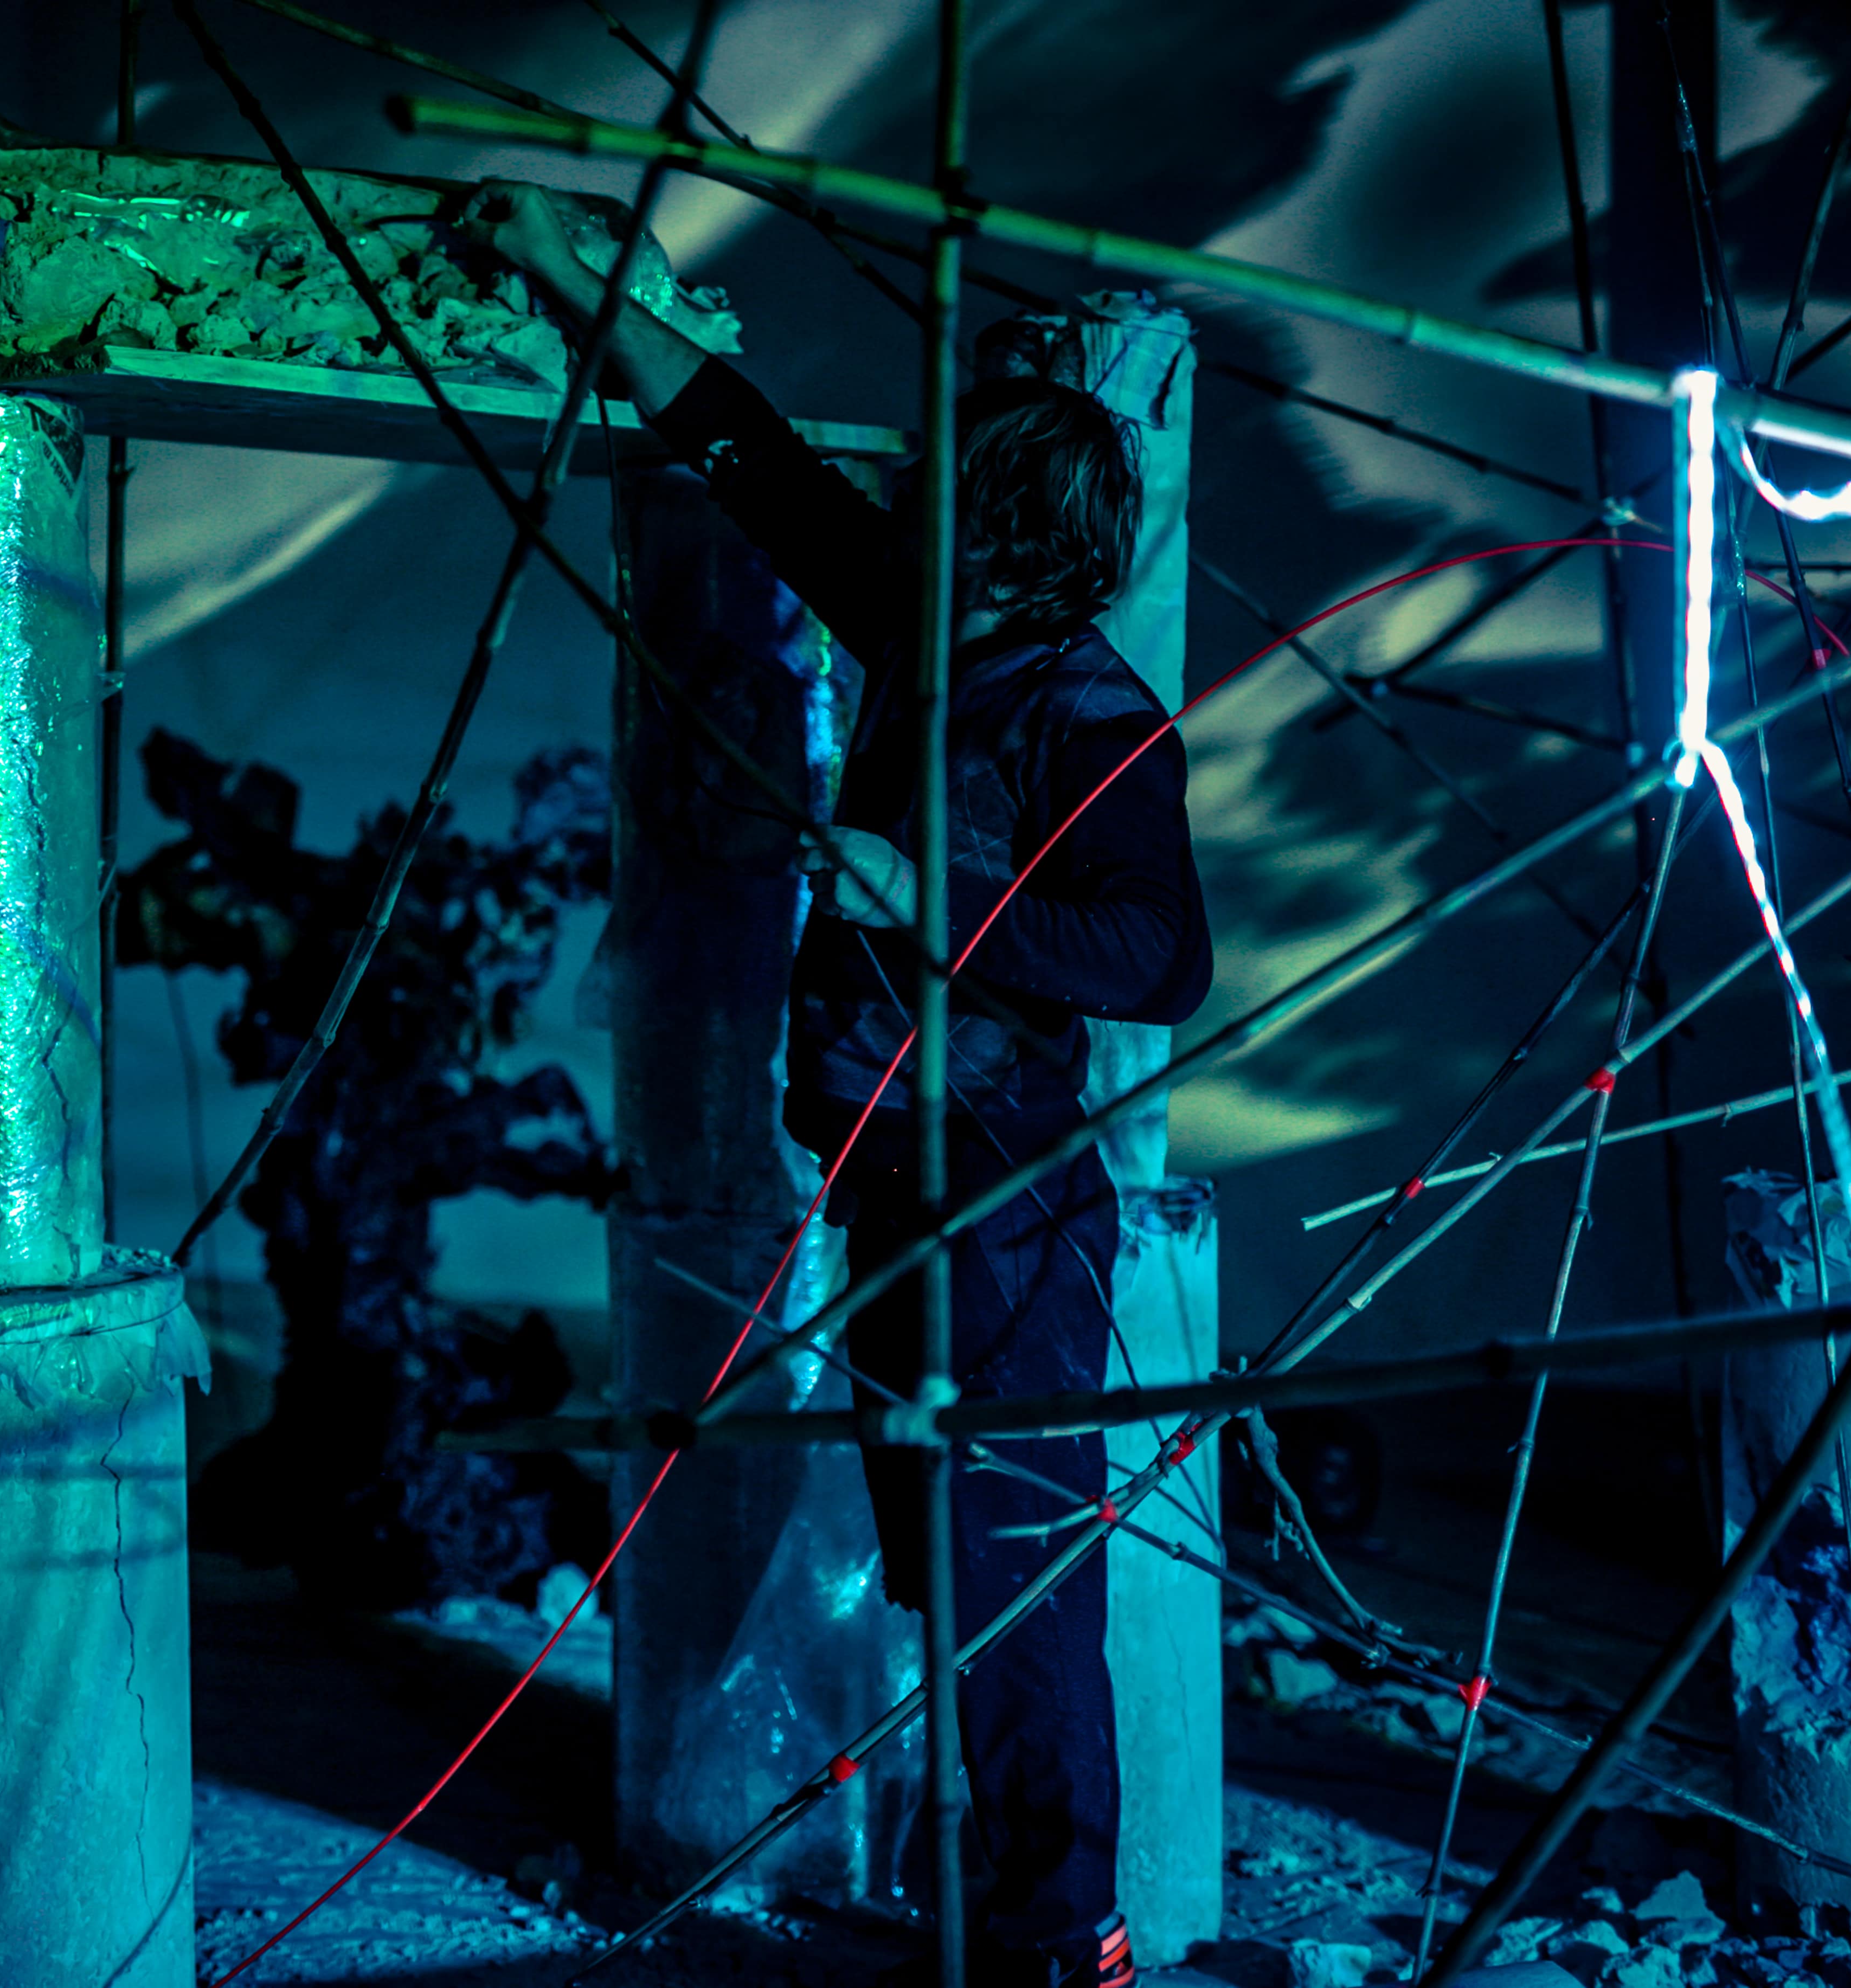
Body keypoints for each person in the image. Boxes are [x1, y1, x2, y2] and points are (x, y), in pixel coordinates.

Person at [466, 185, 1210, 1988]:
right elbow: (746, 455)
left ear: (1009, 530)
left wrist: (921, 893)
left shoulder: (1091, 713)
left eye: (948, 489)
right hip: (893, 1172)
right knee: (942, 1559)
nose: (909, 505)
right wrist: (560, 271)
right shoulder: (921, 634)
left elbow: (1160, 958)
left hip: (1002, 1191)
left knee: (1012, 1564)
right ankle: (997, 1908)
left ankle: (1062, 1937)